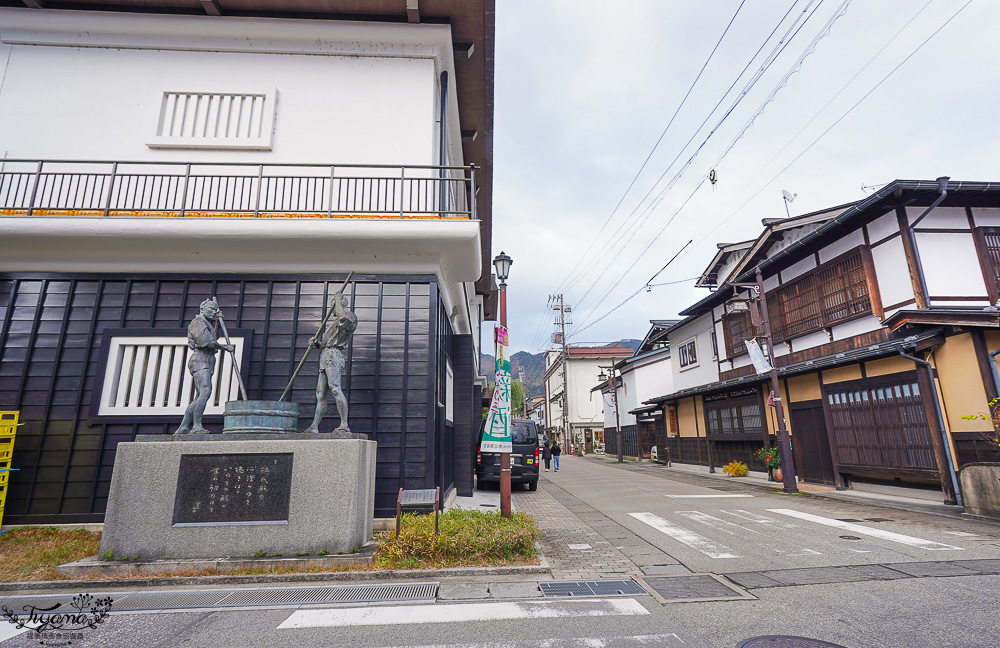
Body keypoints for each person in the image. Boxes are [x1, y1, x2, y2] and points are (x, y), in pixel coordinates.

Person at [174, 299, 234, 435]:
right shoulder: (198, 323)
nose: (214, 312)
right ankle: (196, 426)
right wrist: (225, 348)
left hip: (208, 359)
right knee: (205, 391)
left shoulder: (207, 324)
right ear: (202, 309)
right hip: (200, 359)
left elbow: (215, 337)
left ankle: (183, 426)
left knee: (200, 395)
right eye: (211, 309)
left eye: (216, 310)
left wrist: (218, 322)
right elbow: (208, 343)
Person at [304, 290, 358, 434]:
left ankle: (344, 424)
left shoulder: (349, 317)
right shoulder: (334, 324)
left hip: (333, 356)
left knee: (335, 387)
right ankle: (314, 426)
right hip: (325, 355)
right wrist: (317, 344)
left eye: (332, 305)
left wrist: (338, 300)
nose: (331, 309)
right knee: (320, 393)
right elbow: (325, 344)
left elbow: (343, 318)